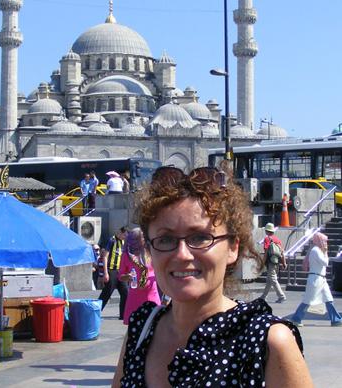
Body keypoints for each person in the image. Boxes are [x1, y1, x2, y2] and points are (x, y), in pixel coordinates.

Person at [112, 165, 312, 387]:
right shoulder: (141, 329)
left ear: (232, 248)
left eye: (200, 237)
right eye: (165, 240)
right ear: (149, 250)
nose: (182, 254)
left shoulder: (267, 342)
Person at [290, 231, 342, 327]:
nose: (325, 243)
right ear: (319, 241)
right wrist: (326, 252)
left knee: (329, 299)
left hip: (320, 279)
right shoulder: (315, 251)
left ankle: (336, 319)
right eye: (324, 241)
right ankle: (296, 319)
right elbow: (325, 262)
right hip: (315, 279)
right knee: (307, 301)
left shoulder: (317, 250)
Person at [118, 228, 161, 325]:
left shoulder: (151, 251)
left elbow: (160, 268)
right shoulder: (127, 255)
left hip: (151, 294)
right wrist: (127, 276)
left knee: (153, 323)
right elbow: (120, 276)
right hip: (135, 294)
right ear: (135, 240)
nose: (145, 239)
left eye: (144, 237)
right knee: (134, 325)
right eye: (142, 238)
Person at [99, 227, 128, 320]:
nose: (125, 237)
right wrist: (105, 272)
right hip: (111, 271)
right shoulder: (112, 240)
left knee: (125, 292)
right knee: (107, 293)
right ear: (120, 232)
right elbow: (105, 257)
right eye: (125, 235)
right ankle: (95, 311)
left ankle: (123, 315)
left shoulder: (124, 243)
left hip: (120, 271)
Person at [260, 222, 287, 303]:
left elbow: (266, 252)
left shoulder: (267, 239)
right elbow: (282, 252)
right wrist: (284, 263)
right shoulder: (277, 240)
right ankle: (263, 297)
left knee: (273, 279)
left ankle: (282, 296)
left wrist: (262, 262)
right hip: (277, 262)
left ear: (267, 231)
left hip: (270, 262)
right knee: (269, 280)